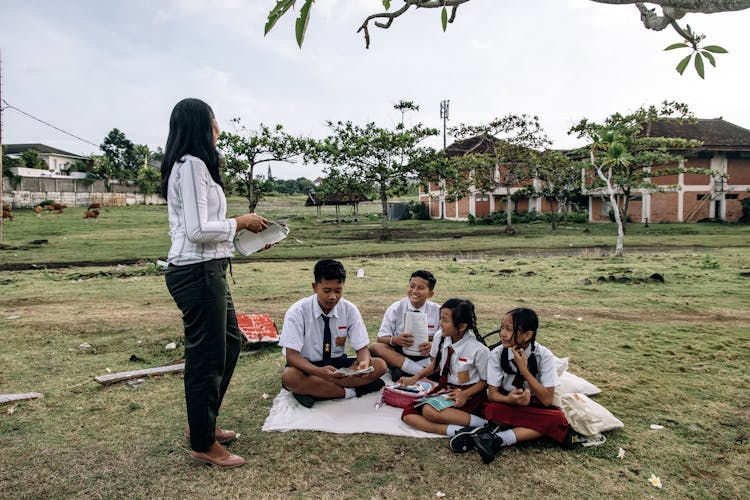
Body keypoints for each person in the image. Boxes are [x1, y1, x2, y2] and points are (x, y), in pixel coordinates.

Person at [161, 98, 269, 469]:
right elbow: (196, 231)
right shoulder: (190, 165)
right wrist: (240, 222)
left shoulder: (195, 166)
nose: (218, 126)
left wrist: (248, 236)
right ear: (201, 125)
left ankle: (202, 426)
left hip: (209, 267)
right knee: (206, 359)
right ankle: (203, 443)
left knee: (229, 344)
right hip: (197, 271)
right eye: (213, 119)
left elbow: (208, 230)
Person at [449, 307, 570, 464]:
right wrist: (510, 400)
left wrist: (524, 370)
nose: (502, 334)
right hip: (506, 404)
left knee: (558, 418)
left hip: (533, 405)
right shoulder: (497, 354)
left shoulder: (543, 356)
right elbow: (492, 394)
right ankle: (500, 434)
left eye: (509, 329)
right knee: (491, 409)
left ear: (527, 335)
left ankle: (497, 438)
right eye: (502, 327)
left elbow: (547, 400)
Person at [279, 258, 387, 408]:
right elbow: (292, 357)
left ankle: (313, 391)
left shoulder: (349, 310)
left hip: (338, 366)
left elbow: (362, 348)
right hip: (308, 366)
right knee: (290, 378)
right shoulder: (297, 312)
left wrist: (364, 363)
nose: (333, 297)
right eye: (327, 290)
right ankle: (352, 391)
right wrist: (319, 372)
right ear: (314, 287)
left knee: (380, 365)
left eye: (338, 291)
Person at [400, 298, 490, 437]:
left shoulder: (479, 350)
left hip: (469, 394)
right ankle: (456, 431)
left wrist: (465, 394)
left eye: (445, 320)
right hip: (447, 389)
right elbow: (435, 366)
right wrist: (415, 378)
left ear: (462, 326)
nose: (440, 324)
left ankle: (483, 424)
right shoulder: (440, 337)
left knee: (429, 411)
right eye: (440, 319)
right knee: (408, 414)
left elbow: (485, 382)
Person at [369, 270, 441, 381]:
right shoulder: (396, 308)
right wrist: (395, 340)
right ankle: (420, 372)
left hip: (427, 355)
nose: (414, 291)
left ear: (430, 294)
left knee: (448, 353)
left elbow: (447, 338)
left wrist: (433, 344)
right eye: (412, 286)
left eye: (420, 288)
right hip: (401, 355)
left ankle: (408, 371)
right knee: (375, 347)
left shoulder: (438, 311)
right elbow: (381, 338)